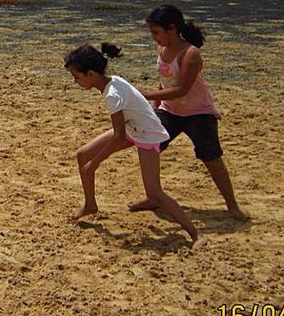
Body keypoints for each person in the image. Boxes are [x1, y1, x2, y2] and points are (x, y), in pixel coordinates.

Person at [65, 42, 202, 247]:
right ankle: (90, 204)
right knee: (83, 155)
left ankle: (195, 234)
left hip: (147, 134)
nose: (75, 82)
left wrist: (96, 162)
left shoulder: (112, 94)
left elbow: (118, 136)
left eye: (77, 77)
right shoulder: (112, 81)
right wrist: (92, 160)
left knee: (154, 192)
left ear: (91, 74)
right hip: (133, 128)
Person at [135, 5, 245, 218]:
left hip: (198, 114)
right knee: (149, 148)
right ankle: (153, 195)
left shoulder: (191, 54)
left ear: (172, 29)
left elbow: (181, 89)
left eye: (156, 32)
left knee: (211, 158)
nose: (153, 38)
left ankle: (232, 205)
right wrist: (155, 108)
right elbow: (164, 82)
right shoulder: (163, 50)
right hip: (170, 111)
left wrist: (146, 95)